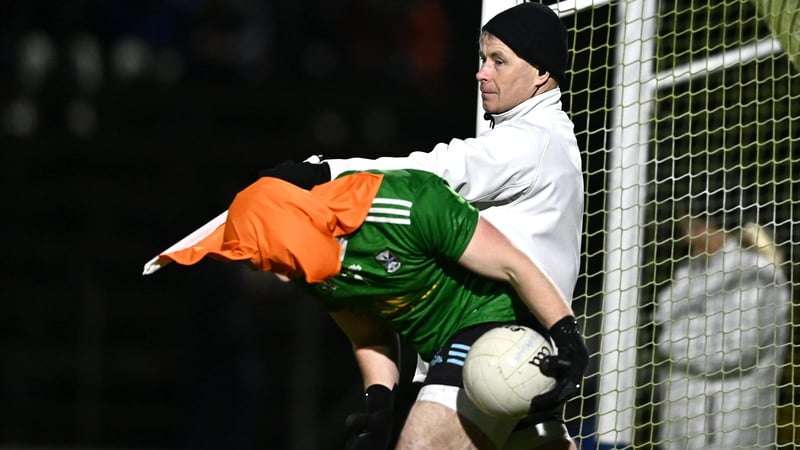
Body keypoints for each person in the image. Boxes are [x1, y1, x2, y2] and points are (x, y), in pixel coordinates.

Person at [257, 4, 584, 446]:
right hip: (514, 348)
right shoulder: (534, 135)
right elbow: (366, 323)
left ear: (542, 72)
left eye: (499, 61)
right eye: (482, 59)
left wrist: (325, 171)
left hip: (500, 340)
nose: (481, 74)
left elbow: (432, 172)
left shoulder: (530, 141)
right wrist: (380, 399)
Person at [145, 169, 588, 449]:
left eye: (268, 258)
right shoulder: (309, 268)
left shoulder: (408, 203)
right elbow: (368, 335)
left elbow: (512, 263)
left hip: (496, 329)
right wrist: (379, 405)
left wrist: (566, 334)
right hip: (449, 357)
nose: (277, 275)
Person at [653, 187, 791, 449]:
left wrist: (672, 342)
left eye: (693, 226)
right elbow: (663, 316)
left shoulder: (757, 275)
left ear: (714, 225)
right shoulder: (689, 271)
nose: (688, 236)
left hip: (726, 426)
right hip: (682, 421)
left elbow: (734, 351)